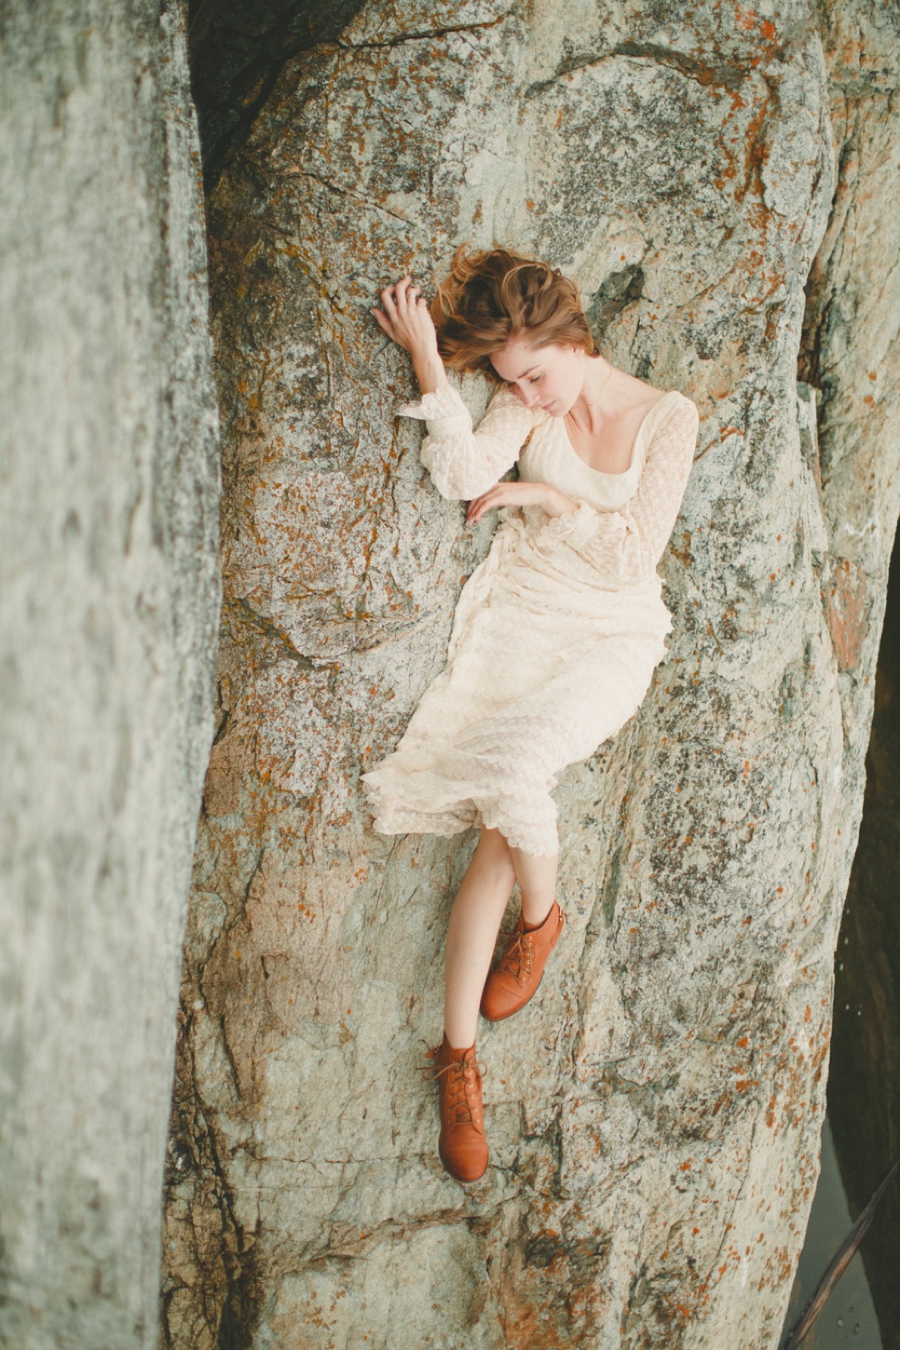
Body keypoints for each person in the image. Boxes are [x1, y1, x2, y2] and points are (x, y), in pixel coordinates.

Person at [363, 246, 699, 1183]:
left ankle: (542, 925)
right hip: (522, 620)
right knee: (496, 836)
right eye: (514, 383)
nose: (534, 397)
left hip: (610, 636)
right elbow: (465, 470)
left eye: (537, 375)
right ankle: (457, 1062)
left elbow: (633, 557)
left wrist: (549, 494)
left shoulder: (669, 417)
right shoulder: (524, 389)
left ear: (571, 337)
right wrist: (430, 357)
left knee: (513, 774)